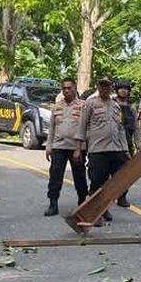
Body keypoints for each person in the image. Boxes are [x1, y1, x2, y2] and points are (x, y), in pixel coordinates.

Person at [77, 77, 128, 226]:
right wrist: (78, 148)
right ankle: (93, 213)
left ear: (111, 88)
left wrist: (125, 149)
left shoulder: (116, 106)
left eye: (107, 86)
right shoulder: (90, 104)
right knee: (97, 182)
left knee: (114, 183)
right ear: (98, 87)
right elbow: (81, 126)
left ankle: (104, 208)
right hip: (98, 150)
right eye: (102, 86)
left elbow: (120, 129)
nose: (105, 89)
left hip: (116, 149)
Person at [44, 78, 88, 216]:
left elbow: (88, 127)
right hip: (59, 146)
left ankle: (82, 202)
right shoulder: (57, 106)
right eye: (64, 88)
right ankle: (53, 203)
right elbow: (52, 128)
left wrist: (81, 148)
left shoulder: (83, 106)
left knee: (79, 176)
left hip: (77, 147)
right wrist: (48, 146)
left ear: (75, 88)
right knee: (55, 176)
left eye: (69, 88)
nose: (66, 91)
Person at [113, 80, 137, 207]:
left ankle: (122, 197)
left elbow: (136, 127)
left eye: (126, 88)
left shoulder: (131, 108)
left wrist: (138, 145)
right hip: (112, 144)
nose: (123, 90)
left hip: (127, 144)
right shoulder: (111, 104)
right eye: (121, 88)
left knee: (126, 173)